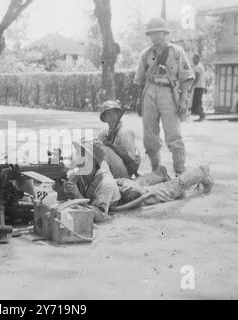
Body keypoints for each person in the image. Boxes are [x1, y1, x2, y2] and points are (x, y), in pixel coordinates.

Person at [55, 139, 213, 223]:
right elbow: (64, 196)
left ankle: (201, 171)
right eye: (78, 153)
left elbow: (101, 216)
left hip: (130, 196)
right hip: (120, 185)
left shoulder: (105, 184)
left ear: (93, 161)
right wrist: (60, 188)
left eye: (82, 154)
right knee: (139, 181)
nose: (77, 158)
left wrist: (77, 197)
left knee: (171, 189)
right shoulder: (79, 174)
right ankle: (160, 173)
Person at [134, 17, 194, 176]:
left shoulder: (176, 52)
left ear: (165, 33)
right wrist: (140, 100)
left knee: (174, 134)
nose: (156, 37)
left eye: (159, 33)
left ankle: (180, 172)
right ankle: (156, 171)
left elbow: (186, 78)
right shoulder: (146, 54)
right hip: (150, 92)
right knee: (150, 136)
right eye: (152, 34)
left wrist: (183, 100)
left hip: (169, 92)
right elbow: (140, 80)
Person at [98, 100, 141, 178]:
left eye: (115, 113)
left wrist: (113, 146)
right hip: (112, 169)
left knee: (105, 150)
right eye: (109, 114)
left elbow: (132, 163)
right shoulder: (103, 133)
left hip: (125, 171)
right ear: (104, 117)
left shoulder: (125, 132)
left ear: (118, 115)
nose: (113, 116)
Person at [189, 54, 206, 121]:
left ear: (198, 59)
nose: (193, 60)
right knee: (198, 101)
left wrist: (192, 87)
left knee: (198, 101)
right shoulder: (200, 66)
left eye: (194, 59)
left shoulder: (198, 67)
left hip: (198, 86)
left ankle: (202, 115)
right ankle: (201, 114)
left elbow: (197, 78)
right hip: (200, 86)